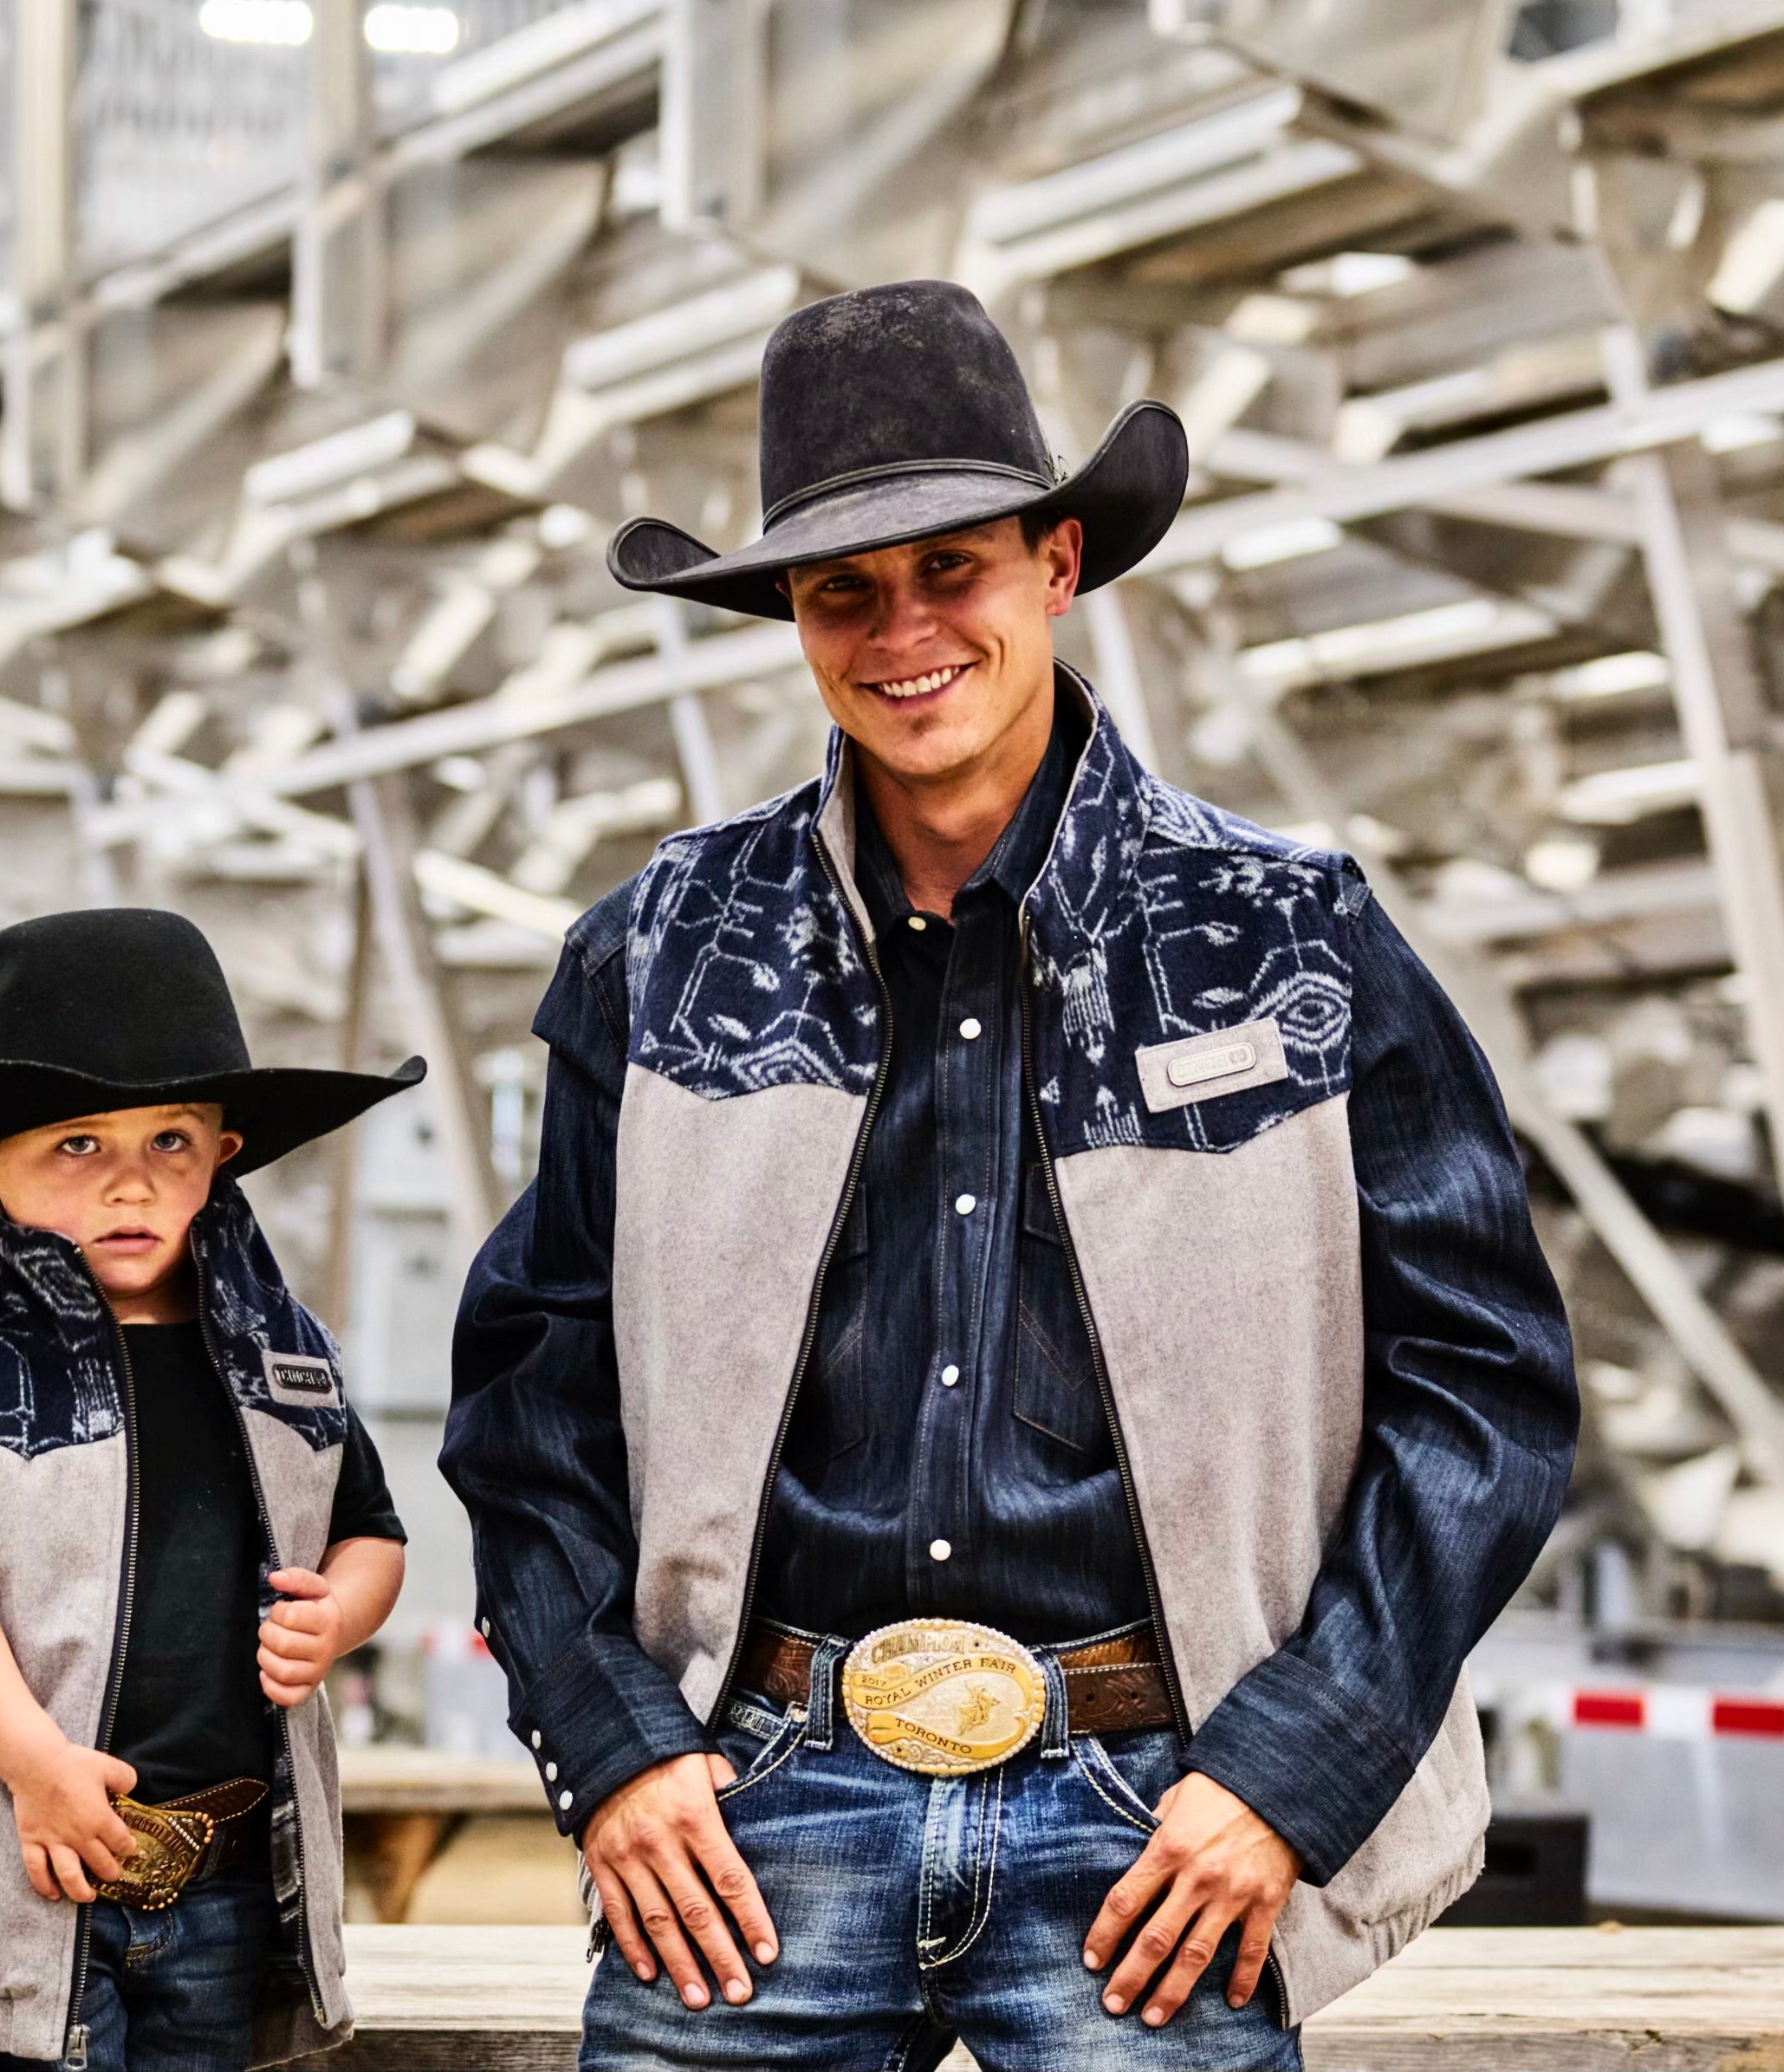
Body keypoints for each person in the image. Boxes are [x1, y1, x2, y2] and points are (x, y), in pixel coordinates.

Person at [444, 279, 1578, 2069]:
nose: (902, 630)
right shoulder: (657, 955)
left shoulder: (1289, 937)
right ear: (793, 618)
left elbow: (1484, 1389)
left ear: (1056, 564)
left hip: (1162, 1817)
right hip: (755, 1815)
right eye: (843, 589)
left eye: (950, 568)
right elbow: (533, 1394)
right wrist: (613, 1748)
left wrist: (1292, 1770)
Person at [0, 907, 419, 2071]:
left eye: (170, 1139)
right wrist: (35, 1766)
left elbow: (370, 1534)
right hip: (10, 1868)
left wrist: (338, 1616)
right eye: (78, 1145)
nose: (131, 1184)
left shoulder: (289, 1364)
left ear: (223, 1152)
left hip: (222, 1883)